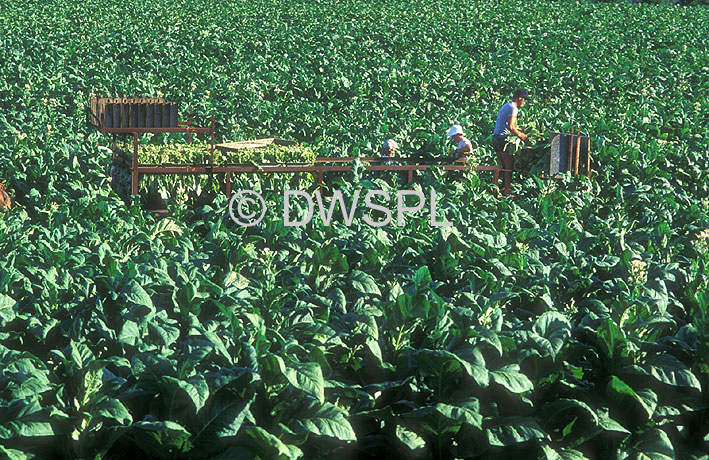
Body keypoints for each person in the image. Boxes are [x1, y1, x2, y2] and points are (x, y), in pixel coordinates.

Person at [492, 89, 530, 196]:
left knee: (501, 166)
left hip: (495, 137)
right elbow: (511, 126)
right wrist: (521, 135)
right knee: (509, 166)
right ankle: (507, 191)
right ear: (520, 98)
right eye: (524, 100)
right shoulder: (513, 108)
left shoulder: (506, 105)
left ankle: (497, 189)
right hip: (503, 138)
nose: (524, 102)